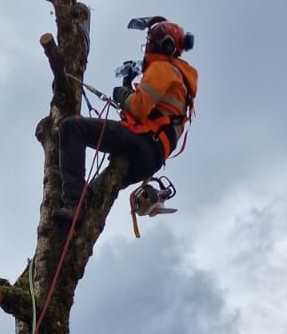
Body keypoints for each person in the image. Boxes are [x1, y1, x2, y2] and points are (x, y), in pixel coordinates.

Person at [54, 19, 198, 228]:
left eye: (151, 42)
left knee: (71, 128)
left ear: (164, 45)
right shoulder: (180, 79)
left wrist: (122, 93)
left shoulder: (163, 69)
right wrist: (128, 89)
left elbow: (139, 107)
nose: (147, 46)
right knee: (94, 193)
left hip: (142, 141)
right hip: (151, 158)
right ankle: (79, 221)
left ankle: (73, 206)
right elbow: (150, 112)